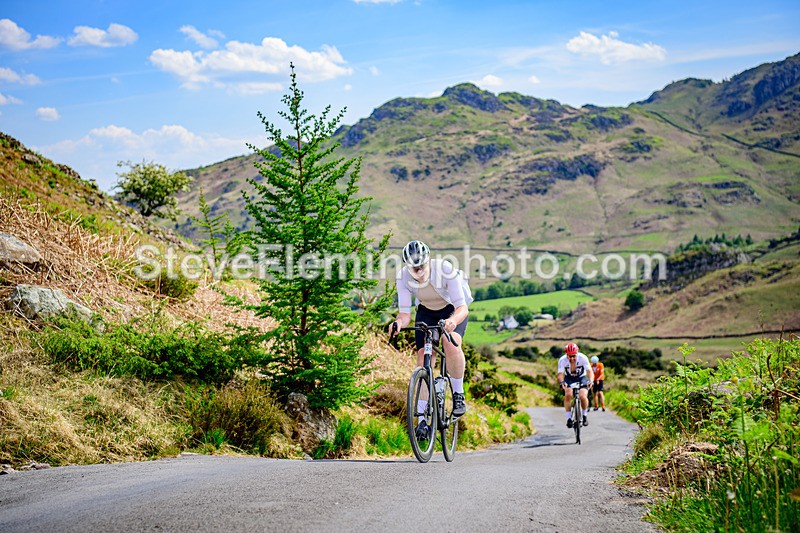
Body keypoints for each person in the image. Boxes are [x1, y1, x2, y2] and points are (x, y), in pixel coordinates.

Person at [389, 240, 470, 440]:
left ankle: (458, 395)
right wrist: (398, 323)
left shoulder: (445, 269)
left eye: (421, 267)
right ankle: (422, 421)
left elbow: (463, 308)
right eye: (413, 268)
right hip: (426, 312)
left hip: (452, 309)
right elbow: (405, 314)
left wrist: (451, 322)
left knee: (450, 343)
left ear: (429, 261)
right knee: (423, 359)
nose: (418, 272)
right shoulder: (403, 277)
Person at [557, 342, 594, 428]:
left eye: (574, 355)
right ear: (567, 355)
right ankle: (569, 418)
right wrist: (562, 382)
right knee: (568, 394)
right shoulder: (562, 360)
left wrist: (591, 381)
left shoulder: (583, 358)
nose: (572, 358)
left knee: (583, 396)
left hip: (581, 377)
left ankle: (584, 416)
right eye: (570, 356)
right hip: (569, 378)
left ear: (577, 354)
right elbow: (560, 374)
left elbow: (589, 371)